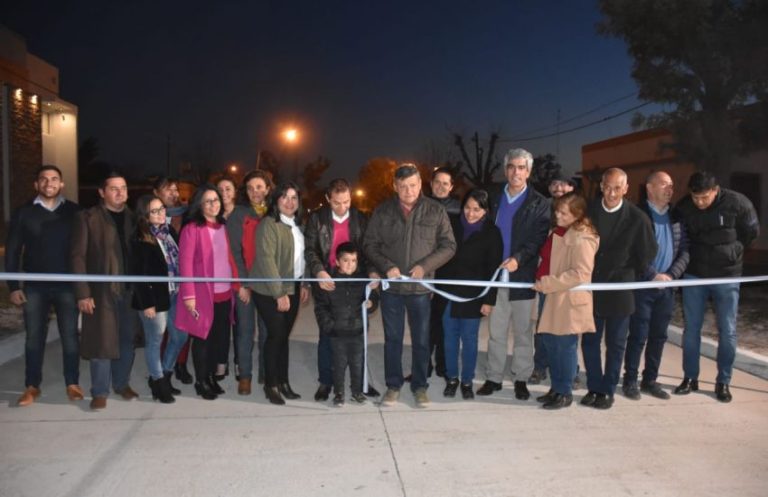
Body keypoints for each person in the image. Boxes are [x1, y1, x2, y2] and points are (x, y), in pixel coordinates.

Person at [364, 163, 456, 408]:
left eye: (413, 185)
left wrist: (425, 267)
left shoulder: (435, 210)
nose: (408, 191)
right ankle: (393, 385)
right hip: (392, 289)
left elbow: (449, 246)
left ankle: (420, 387)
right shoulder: (383, 211)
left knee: (422, 340)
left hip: (420, 290)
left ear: (420, 184)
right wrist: (386, 266)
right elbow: (370, 245)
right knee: (392, 339)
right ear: (395, 186)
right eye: (403, 186)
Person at [675, 171, 759, 402]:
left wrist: (734, 251)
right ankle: (690, 378)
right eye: (695, 197)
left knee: (728, 330)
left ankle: (723, 381)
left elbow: (751, 232)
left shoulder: (738, 203)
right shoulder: (685, 207)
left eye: (704, 197)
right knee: (691, 329)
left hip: (726, 276)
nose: (699, 202)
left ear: (715, 190)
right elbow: (679, 236)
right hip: (695, 276)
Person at [476, 148, 550, 400]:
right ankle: (494, 377)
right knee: (495, 333)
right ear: (505, 169)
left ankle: (520, 377)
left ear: (528, 171)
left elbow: (538, 238)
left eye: (521, 167)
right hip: (496, 277)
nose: (515, 172)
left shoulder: (539, 203)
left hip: (523, 278)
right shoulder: (494, 198)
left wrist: (518, 259)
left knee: (522, 333)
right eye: (511, 167)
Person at [7, 165, 83, 406]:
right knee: (33, 338)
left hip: (67, 286)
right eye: (43, 179)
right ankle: (32, 386)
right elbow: (12, 251)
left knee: (70, 336)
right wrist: (13, 286)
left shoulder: (74, 211)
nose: (49, 183)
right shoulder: (24, 213)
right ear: (36, 184)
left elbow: (82, 250)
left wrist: (83, 287)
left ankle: (72, 383)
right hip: (35, 286)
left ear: (61, 184)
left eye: (54, 179)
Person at [583, 168, 657, 410]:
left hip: (621, 289)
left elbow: (646, 254)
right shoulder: (588, 212)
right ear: (601, 187)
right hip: (592, 286)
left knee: (615, 344)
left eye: (617, 188)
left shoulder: (638, 218)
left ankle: (607, 390)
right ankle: (594, 386)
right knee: (590, 341)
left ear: (626, 189)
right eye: (607, 187)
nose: (612, 193)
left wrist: (626, 272)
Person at [305, 178, 379, 401]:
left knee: (358, 333)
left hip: (355, 279)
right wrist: (319, 272)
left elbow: (369, 250)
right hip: (328, 280)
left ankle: (361, 384)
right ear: (328, 199)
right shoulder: (317, 219)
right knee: (328, 333)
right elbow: (311, 249)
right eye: (337, 202)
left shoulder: (360, 219)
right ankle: (326, 382)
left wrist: (373, 272)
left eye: (346, 201)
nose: (342, 207)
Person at [71, 171, 140, 410]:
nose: (120, 192)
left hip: (130, 291)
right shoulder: (88, 217)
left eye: (123, 188)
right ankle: (99, 391)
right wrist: (82, 292)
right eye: (114, 188)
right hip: (101, 291)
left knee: (126, 340)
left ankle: (122, 384)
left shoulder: (134, 218)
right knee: (102, 341)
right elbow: (77, 257)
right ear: (102, 192)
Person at [622, 171, 689, 400]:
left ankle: (650, 379)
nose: (670, 189)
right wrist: (652, 274)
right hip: (643, 286)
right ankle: (630, 380)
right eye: (664, 184)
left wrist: (671, 275)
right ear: (650, 188)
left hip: (667, 287)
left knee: (659, 336)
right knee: (638, 334)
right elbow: (631, 250)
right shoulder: (637, 214)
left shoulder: (677, 216)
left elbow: (685, 251)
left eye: (671, 185)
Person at [533, 192, 599, 409]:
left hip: (568, 300)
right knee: (551, 344)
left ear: (577, 215)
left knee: (565, 347)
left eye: (563, 212)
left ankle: (565, 392)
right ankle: (557, 387)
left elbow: (580, 273)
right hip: (554, 297)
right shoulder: (559, 231)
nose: (557, 215)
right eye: (557, 211)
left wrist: (548, 283)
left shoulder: (583, 237)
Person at [174, 185, 240, 400]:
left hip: (224, 292)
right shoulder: (192, 228)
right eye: (208, 201)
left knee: (218, 339)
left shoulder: (223, 226)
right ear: (199, 205)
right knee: (202, 338)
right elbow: (185, 264)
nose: (214, 204)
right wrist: (189, 295)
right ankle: (201, 381)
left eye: (216, 200)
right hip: (202, 294)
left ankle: (211, 376)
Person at [436, 189, 502, 400]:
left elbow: (494, 269)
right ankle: (452, 378)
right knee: (449, 339)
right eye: (467, 208)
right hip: (448, 293)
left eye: (476, 209)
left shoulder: (492, 233)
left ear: (485, 210)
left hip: (473, 297)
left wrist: (489, 300)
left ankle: (467, 381)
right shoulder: (452, 225)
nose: (470, 213)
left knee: (470, 340)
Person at [249, 182, 310, 405]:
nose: (289, 202)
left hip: (293, 287)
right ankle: (271, 384)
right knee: (275, 336)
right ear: (275, 200)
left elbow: (302, 259)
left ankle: (284, 382)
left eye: (294, 198)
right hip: (269, 289)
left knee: (283, 337)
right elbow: (266, 261)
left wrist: (305, 285)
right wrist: (278, 293)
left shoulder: (297, 226)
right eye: (284, 197)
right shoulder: (269, 225)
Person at [313, 242, 379, 407]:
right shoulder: (329, 283)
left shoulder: (362, 280)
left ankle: (356, 392)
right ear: (337, 261)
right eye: (346, 260)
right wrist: (329, 326)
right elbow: (321, 307)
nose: (350, 265)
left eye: (354, 261)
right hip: (337, 333)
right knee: (338, 365)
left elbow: (373, 297)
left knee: (357, 364)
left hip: (357, 331)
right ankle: (339, 393)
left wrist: (371, 304)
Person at [225, 169, 273, 395]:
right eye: (251, 188)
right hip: (245, 283)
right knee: (245, 332)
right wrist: (242, 283)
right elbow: (234, 252)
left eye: (260, 187)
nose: (255, 192)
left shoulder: (273, 213)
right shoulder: (238, 214)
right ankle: (245, 376)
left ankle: (266, 371)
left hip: (267, 284)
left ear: (268, 189)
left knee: (267, 331)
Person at [131, 195, 182, 403]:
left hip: (174, 294)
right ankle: (158, 383)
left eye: (161, 208)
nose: (161, 213)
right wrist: (147, 304)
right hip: (154, 299)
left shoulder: (168, 232)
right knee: (155, 340)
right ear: (145, 215)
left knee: (180, 337)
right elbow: (139, 275)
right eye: (155, 211)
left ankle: (165, 374)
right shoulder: (139, 238)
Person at [531, 170, 578, 384]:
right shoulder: (543, 208)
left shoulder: (579, 212)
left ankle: (572, 371)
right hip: (547, 279)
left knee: (568, 329)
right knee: (543, 325)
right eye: (555, 184)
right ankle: (540, 366)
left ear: (572, 187)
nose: (559, 188)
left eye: (564, 184)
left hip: (569, 280)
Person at [421, 166, 461, 381]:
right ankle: (423, 366)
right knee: (425, 325)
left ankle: (444, 366)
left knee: (446, 324)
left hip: (449, 273)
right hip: (426, 271)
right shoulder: (422, 206)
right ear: (431, 184)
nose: (441, 186)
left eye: (446, 183)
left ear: (451, 186)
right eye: (437, 182)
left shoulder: (459, 209)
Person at [153, 176, 191, 384]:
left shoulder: (187, 216)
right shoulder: (151, 217)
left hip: (183, 282)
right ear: (157, 194)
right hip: (161, 285)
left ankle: (180, 365)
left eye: (176, 189)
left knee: (182, 328)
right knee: (161, 333)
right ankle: (160, 374)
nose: (173, 193)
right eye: (168, 189)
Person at [213, 176, 238, 381]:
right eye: (220, 189)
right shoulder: (212, 215)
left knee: (240, 324)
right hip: (218, 279)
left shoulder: (242, 214)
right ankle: (220, 362)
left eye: (228, 188)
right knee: (220, 324)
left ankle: (240, 363)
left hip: (239, 277)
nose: (224, 192)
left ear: (235, 191)